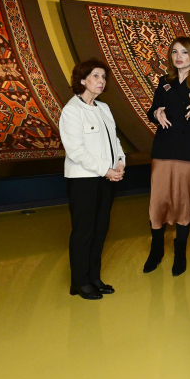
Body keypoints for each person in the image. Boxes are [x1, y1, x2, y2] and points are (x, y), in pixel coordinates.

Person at [143, 36, 190, 276]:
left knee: (184, 203)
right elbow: (151, 109)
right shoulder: (164, 82)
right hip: (163, 148)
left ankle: (180, 252)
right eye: (174, 52)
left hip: (189, 150)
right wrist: (157, 113)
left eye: (184, 52)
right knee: (158, 202)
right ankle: (156, 250)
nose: (178, 56)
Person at [59, 59, 126, 300]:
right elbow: (75, 151)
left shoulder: (103, 108)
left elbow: (114, 141)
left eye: (104, 77)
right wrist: (105, 169)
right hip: (84, 180)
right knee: (83, 231)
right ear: (82, 80)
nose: (101, 81)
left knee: (100, 229)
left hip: (106, 178)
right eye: (96, 76)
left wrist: (120, 163)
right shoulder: (71, 111)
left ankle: (93, 277)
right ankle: (79, 282)